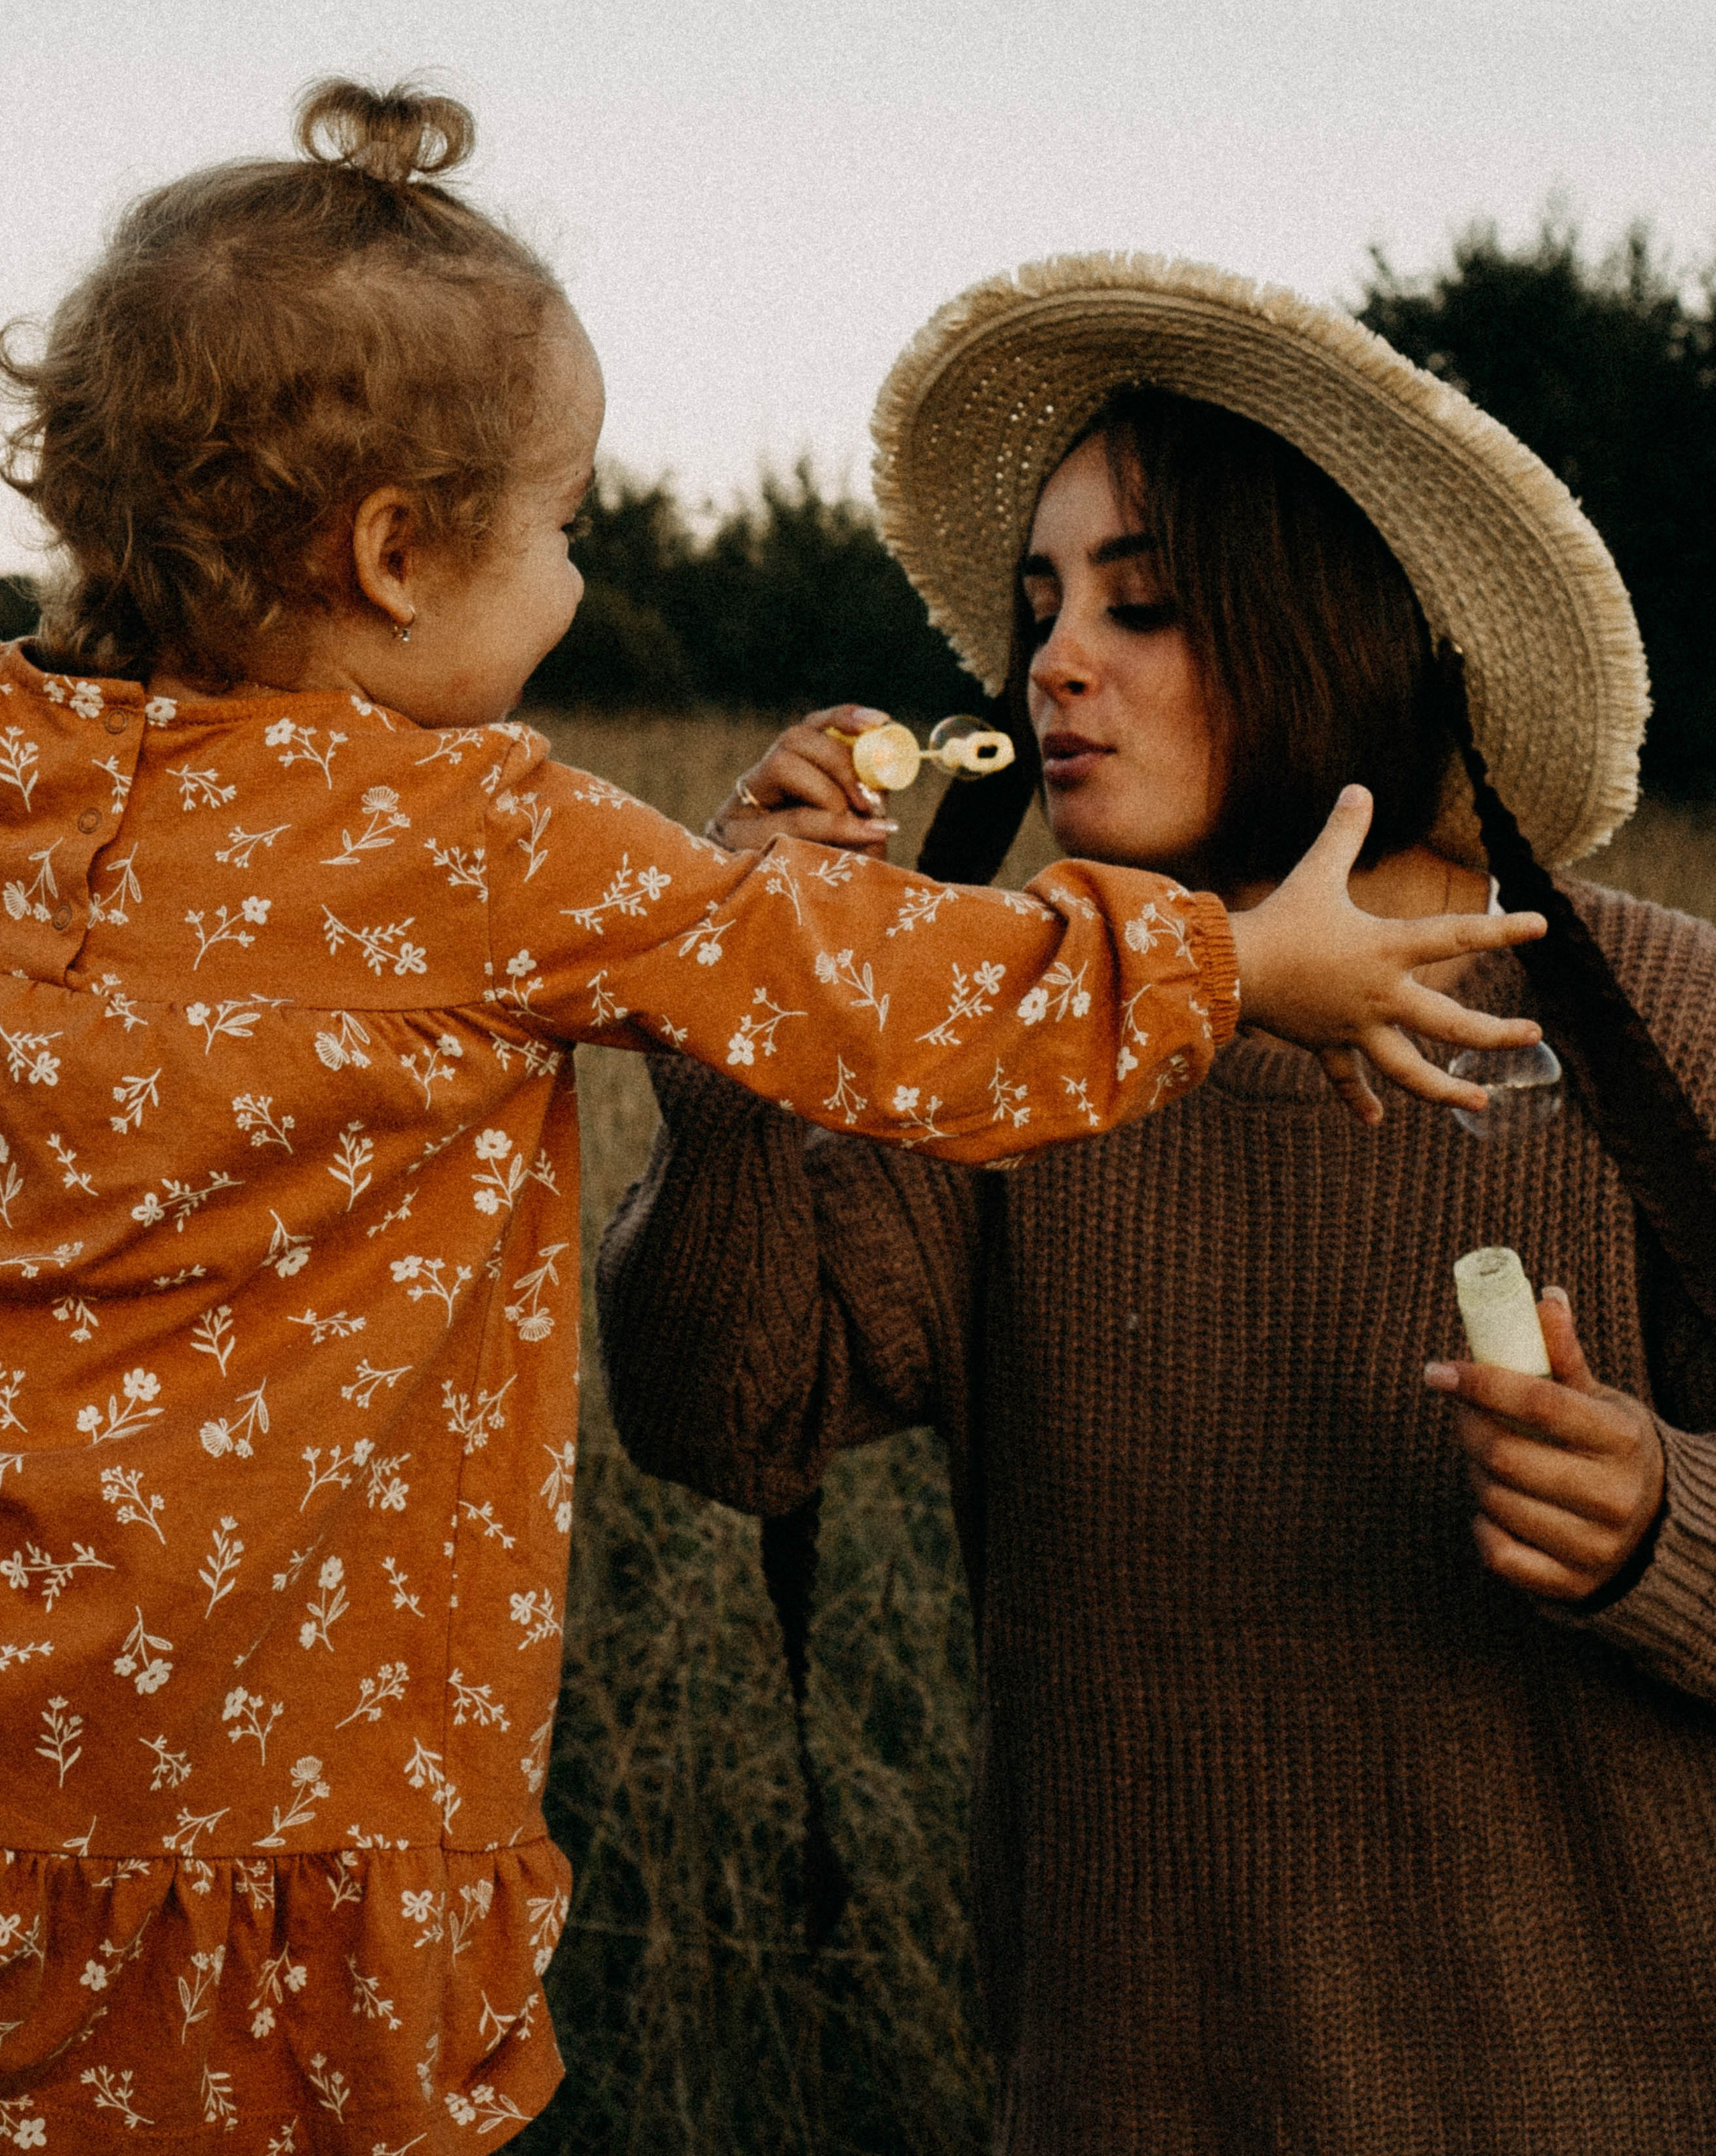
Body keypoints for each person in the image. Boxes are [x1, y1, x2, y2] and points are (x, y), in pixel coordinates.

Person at [0, 113, 1536, 2151]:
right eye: (565, 529)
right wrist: (1238, 971)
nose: (581, 574)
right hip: (291, 1810)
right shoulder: (480, 835)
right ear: (388, 554)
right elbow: (848, 982)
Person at [598, 253, 1716, 2154]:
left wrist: (1660, 1526)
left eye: (1146, 604)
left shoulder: (1667, 1022)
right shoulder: (1021, 1028)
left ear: (1331, 629)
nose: (1051, 665)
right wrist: (733, 1047)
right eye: (1040, 608)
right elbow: (727, 1422)